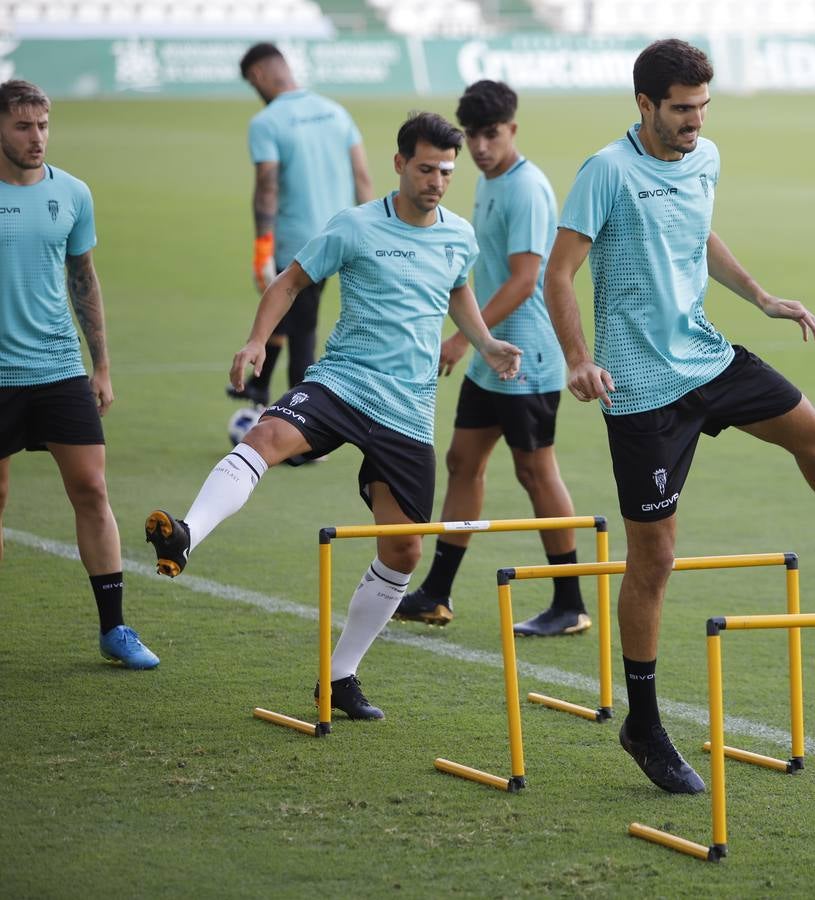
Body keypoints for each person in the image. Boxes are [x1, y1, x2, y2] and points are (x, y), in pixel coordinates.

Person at [544, 39, 815, 795]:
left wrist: (762, 296)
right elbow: (560, 271)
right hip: (641, 389)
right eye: (681, 109)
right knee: (655, 561)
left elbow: (697, 233)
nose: (695, 121)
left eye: (704, 106)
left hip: (707, 359)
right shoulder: (605, 172)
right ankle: (643, 722)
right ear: (644, 106)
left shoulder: (705, 159)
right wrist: (578, 357)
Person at [145, 113, 522, 720]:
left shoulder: (459, 236)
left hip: (407, 410)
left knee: (403, 555)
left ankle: (339, 676)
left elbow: (458, 290)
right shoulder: (353, 226)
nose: (436, 181)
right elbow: (289, 283)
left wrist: (484, 343)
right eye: (426, 168)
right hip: (342, 383)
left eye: (446, 172)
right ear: (399, 164)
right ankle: (187, 534)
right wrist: (256, 342)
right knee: (268, 435)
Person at [394, 80, 590, 638]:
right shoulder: (488, 180)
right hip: (491, 355)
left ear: (513, 130)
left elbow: (528, 280)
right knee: (462, 461)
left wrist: (462, 340)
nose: (480, 146)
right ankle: (436, 592)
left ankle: (570, 601)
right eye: (474, 136)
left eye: (491, 134)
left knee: (535, 470)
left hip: (524, 357)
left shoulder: (526, 189)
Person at [0, 80, 158, 669]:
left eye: (42, 125)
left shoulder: (71, 193)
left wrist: (102, 366)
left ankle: (114, 629)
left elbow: (83, 279)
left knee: (92, 490)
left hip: (58, 367)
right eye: (22, 126)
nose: (36, 136)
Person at [228, 42, 374, 408]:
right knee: (289, 317)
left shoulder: (266, 122)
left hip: (298, 244)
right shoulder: (336, 112)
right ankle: (260, 388)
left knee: (301, 330)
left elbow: (267, 186)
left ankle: (304, 427)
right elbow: (363, 178)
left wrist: (262, 248)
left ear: (259, 76)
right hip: (344, 237)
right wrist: (373, 237)